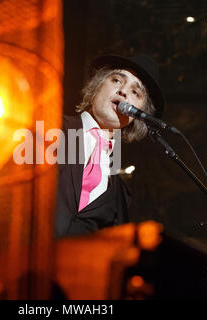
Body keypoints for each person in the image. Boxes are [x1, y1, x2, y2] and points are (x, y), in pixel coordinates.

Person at [55, 54, 165, 238]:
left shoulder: (119, 193)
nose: (123, 91)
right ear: (97, 85)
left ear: (138, 114)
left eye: (135, 92)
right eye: (116, 80)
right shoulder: (52, 127)